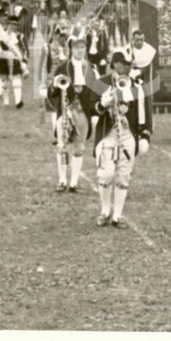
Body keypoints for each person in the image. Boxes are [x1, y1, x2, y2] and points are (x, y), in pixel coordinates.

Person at [92, 51, 153, 227]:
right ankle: (105, 210)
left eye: (128, 64)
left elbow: (145, 110)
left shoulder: (137, 85)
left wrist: (145, 134)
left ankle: (117, 215)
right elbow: (91, 108)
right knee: (106, 173)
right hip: (108, 133)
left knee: (123, 175)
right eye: (123, 63)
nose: (126, 67)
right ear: (114, 64)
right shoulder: (102, 83)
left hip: (128, 134)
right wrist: (103, 104)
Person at [46, 28, 99, 193]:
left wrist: (94, 114)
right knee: (62, 145)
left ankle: (74, 182)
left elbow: (96, 93)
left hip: (83, 113)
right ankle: (62, 180)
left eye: (82, 47)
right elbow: (51, 93)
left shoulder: (91, 68)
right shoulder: (62, 68)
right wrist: (55, 85)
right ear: (71, 48)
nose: (80, 50)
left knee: (79, 147)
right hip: (65, 112)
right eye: (76, 47)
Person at [0, 11, 29, 109]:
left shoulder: (20, 36)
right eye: (12, 25)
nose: (14, 27)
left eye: (16, 25)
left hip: (15, 60)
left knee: (17, 82)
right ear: (8, 24)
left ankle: (18, 102)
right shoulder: (1, 35)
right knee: (5, 83)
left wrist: (24, 61)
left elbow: (25, 50)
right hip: (4, 59)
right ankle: (6, 102)